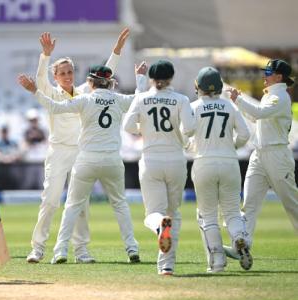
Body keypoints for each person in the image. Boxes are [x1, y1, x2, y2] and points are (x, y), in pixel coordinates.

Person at [25, 29, 133, 264]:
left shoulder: (85, 92)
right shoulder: (51, 92)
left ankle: (81, 250)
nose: (67, 76)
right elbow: (40, 81)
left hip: (81, 152)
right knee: (51, 200)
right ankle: (38, 248)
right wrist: (45, 56)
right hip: (58, 150)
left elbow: (106, 74)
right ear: (56, 76)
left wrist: (117, 50)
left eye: (70, 72)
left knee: (80, 204)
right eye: (62, 73)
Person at [123, 60, 196, 275]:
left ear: (152, 79)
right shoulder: (181, 99)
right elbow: (190, 129)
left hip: (151, 160)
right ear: (171, 77)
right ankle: (167, 265)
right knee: (174, 213)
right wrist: (179, 135)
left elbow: (127, 126)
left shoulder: (142, 98)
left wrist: (143, 129)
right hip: (175, 160)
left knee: (153, 213)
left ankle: (158, 226)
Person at [226, 59, 298, 259]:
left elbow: (260, 112)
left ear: (279, 76)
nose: (264, 75)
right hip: (258, 155)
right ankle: (243, 246)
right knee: (249, 203)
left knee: (292, 204)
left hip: (277, 155)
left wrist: (238, 100)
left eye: (268, 71)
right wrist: (238, 102)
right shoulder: (270, 96)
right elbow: (257, 118)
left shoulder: (280, 97)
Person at [189, 67, 252, 272]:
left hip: (204, 162)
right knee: (232, 211)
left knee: (207, 215)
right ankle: (239, 237)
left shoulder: (194, 106)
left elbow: (183, 134)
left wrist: (190, 147)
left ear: (198, 86)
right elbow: (244, 134)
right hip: (229, 162)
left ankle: (217, 263)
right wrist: (231, 146)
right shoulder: (229, 106)